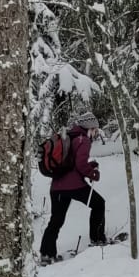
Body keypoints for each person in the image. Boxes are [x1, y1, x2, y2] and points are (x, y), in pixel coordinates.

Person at [40, 111, 108, 264]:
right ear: (89, 128)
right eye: (95, 129)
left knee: (56, 220)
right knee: (99, 204)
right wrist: (93, 173)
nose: (96, 132)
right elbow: (80, 165)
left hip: (57, 187)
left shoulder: (68, 137)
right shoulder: (84, 140)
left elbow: (72, 163)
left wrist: (89, 167)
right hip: (74, 185)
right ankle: (98, 239)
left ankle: (47, 254)